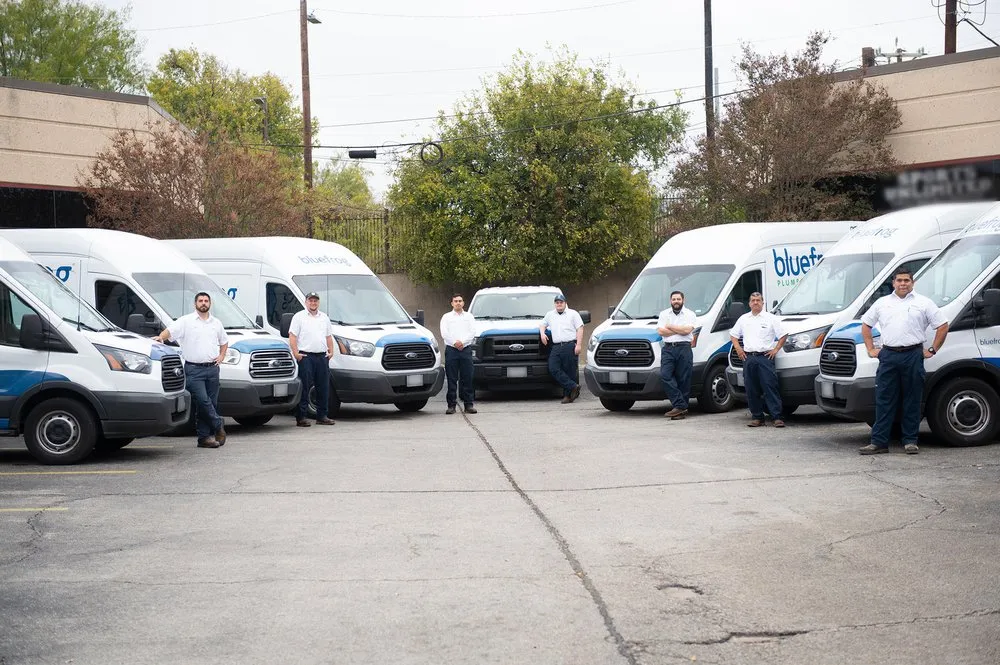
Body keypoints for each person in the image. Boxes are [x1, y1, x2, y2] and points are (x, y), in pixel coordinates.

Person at [859, 268, 949, 455]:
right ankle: (879, 442)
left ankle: (910, 441)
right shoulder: (882, 303)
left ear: (912, 282)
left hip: (913, 355)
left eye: (906, 280)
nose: (902, 283)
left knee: (912, 399)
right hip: (888, 356)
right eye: (899, 280)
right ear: (893, 283)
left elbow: (942, 325)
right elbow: (866, 325)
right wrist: (870, 349)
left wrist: (933, 349)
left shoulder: (924, 303)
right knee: (884, 399)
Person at [155, 292, 228, 449]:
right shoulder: (186, 321)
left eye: (206, 301)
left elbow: (224, 341)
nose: (203, 303)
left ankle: (204, 438)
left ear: (210, 303)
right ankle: (218, 425)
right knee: (203, 401)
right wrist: (161, 337)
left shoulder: (216, 323)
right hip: (194, 369)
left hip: (213, 369)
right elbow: (170, 331)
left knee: (211, 404)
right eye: (200, 301)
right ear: (195, 304)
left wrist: (222, 355)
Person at [730, 292, 788, 428]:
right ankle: (757, 417)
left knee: (770, 387)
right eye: (753, 300)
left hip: (765, 358)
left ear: (763, 303)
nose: (755, 302)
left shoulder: (771, 318)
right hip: (749, 358)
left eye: (758, 300)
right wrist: (738, 348)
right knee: (751, 388)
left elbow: (783, 335)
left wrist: (776, 349)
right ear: (749, 303)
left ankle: (777, 417)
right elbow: (733, 335)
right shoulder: (744, 319)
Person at [288, 291, 336, 428]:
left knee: (323, 387)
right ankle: (301, 417)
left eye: (315, 301)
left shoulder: (324, 317)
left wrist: (331, 351)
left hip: (322, 356)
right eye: (311, 300)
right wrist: (296, 353)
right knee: (304, 387)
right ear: (306, 302)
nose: (313, 303)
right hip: (306, 356)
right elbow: (292, 336)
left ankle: (322, 416)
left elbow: (328, 336)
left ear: (318, 302)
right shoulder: (299, 317)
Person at [658, 290, 697, 420]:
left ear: (683, 300)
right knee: (665, 375)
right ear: (670, 301)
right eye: (674, 299)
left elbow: (687, 331)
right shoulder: (664, 314)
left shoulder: (690, 314)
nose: (676, 301)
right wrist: (679, 330)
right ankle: (680, 405)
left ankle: (680, 411)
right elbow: (661, 332)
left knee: (684, 379)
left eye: (678, 299)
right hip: (668, 349)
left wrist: (670, 326)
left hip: (684, 348)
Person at [540, 294, 585, 404]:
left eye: (561, 302)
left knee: (569, 371)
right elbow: (542, 324)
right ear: (555, 304)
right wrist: (542, 333)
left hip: (570, 345)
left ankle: (567, 396)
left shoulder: (573, 314)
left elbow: (580, 328)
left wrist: (578, 345)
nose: (559, 304)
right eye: (557, 302)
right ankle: (573, 386)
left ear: (565, 303)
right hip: (556, 346)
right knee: (553, 368)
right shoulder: (550, 314)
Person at [439, 293, 477, 414]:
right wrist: (455, 343)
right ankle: (451, 406)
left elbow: (472, 332)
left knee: (467, 378)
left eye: (460, 301)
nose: (458, 303)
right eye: (455, 301)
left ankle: (469, 405)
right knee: (451, 379)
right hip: (451, 350)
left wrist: (462, 342)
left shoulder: (469, 317)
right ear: (452, 303)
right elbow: (444, 333)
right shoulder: (446, 317)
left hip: (465, 350)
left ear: (463, 303)